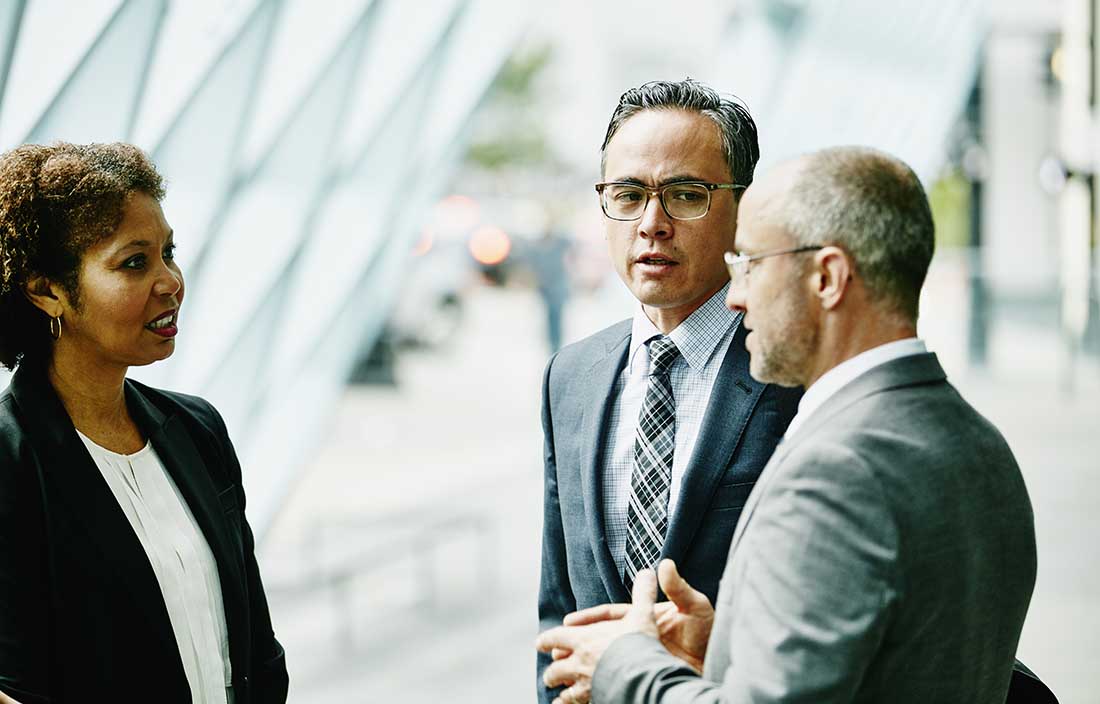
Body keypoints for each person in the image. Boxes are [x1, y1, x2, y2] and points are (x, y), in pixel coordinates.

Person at [535, 146, 1037, 703]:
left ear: (827, 278)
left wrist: (624, 666)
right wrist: (723, 651)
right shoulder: (978, 441)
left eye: (749, 263)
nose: (737, 298)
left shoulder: (838, 470)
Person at [537, 79, 801, 703]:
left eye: (686, 195)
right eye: (628, 195)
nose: (651, 224)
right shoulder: (570, 377)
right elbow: (557, 612)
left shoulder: (796, 371)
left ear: (743, 209)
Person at [0, 143, 288, 704]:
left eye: (168, 253)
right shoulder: (9, 464)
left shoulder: (198, 429)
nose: (171, 281)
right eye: (135, 262)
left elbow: (255, 640)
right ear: (46, 290)